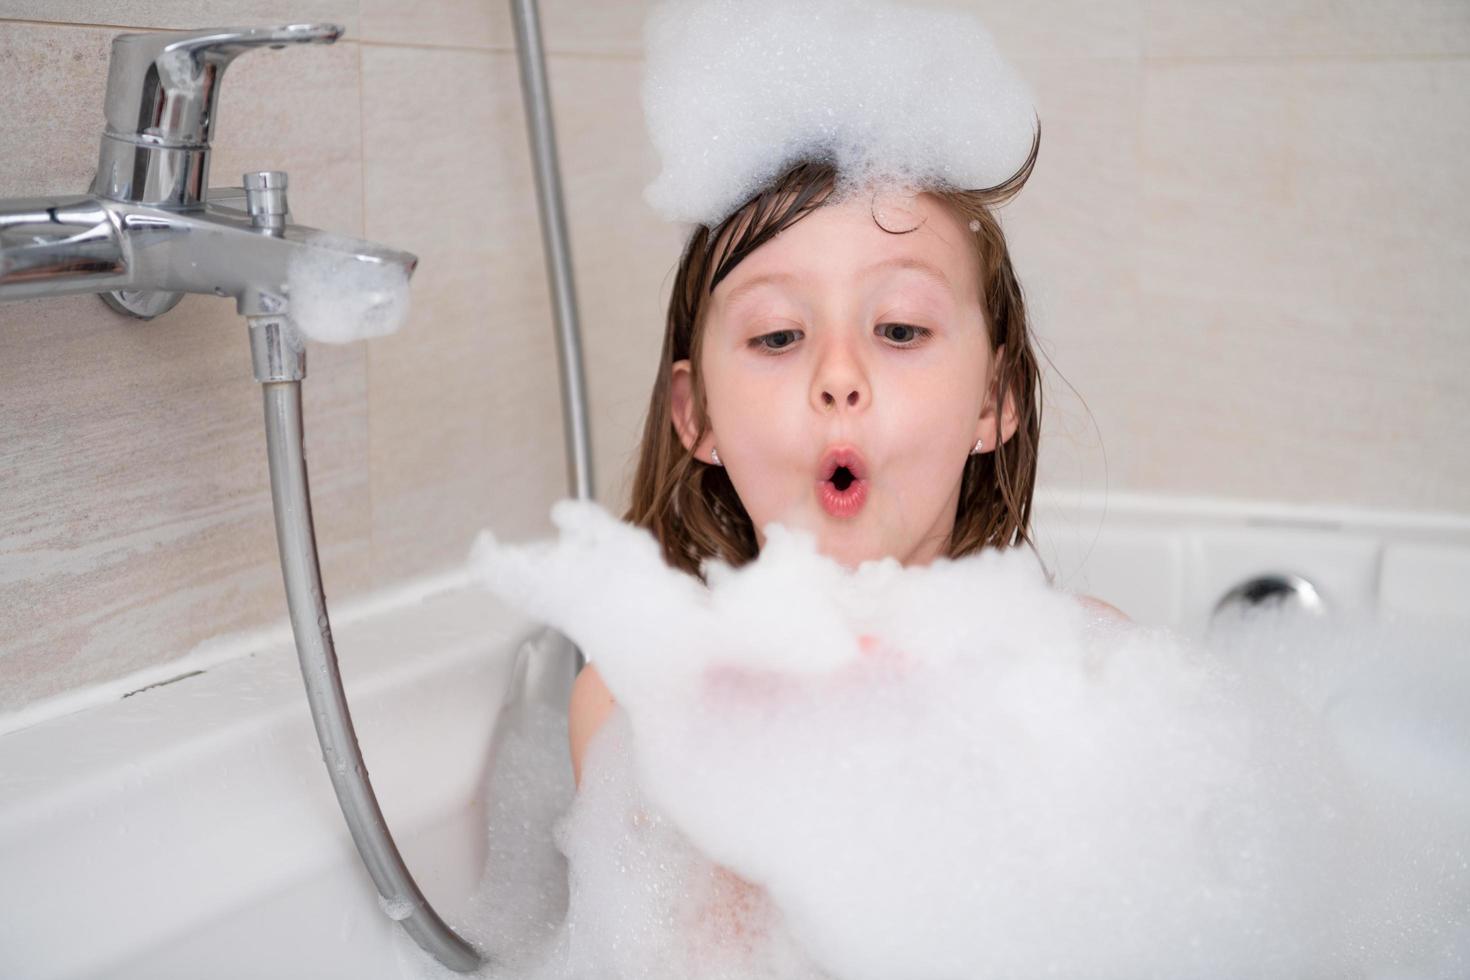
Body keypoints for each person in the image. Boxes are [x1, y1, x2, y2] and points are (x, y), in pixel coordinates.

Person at [570, 152, 1127, 790]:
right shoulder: (636, 699)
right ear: (698, 417)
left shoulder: (1090, 672)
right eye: (777, 336)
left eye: (899, 328)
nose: (839, 378)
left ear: (993, 400)